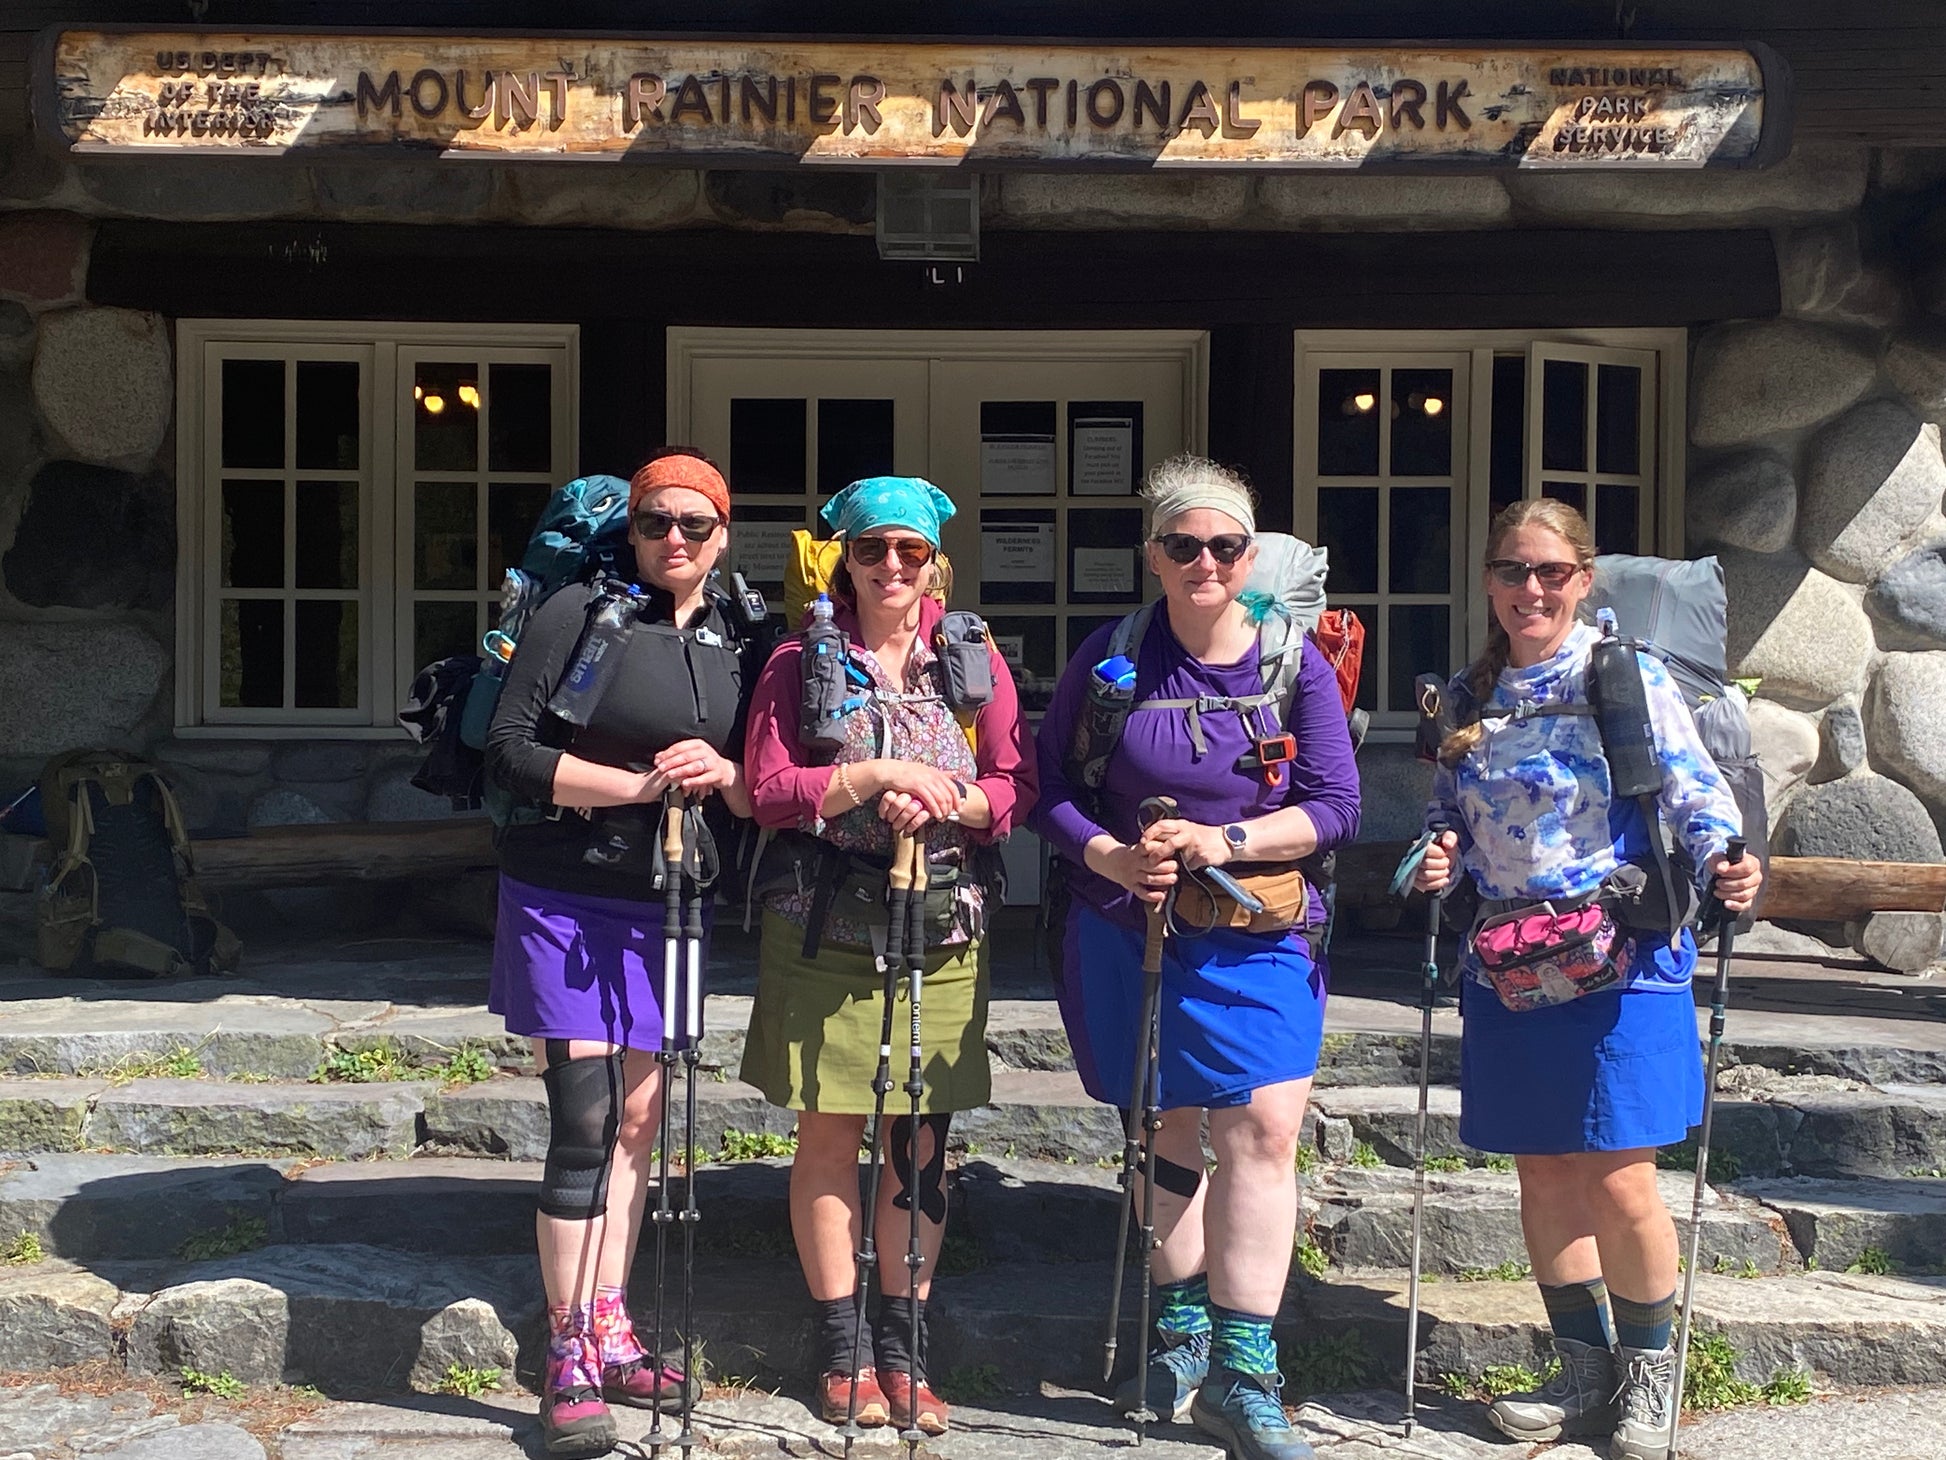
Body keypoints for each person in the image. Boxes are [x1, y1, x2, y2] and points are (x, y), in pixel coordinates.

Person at [1410, 498, 1762, 1460]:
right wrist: (1436, 852)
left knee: (1619, 1174)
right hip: (1511, 962)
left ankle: (1650, 1382)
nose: (1533, 590)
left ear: (1584, 578)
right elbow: (1448, 810)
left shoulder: (1625, 676)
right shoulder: (1468, 696)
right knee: (1543, 1168)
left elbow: (1697, 791)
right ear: (1489, 582)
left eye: (1552, 573)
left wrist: (1729, 860)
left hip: (1624, 957)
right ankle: (1585, 1375)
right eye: (1515, 572)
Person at [1031, 456, 1360, 1460]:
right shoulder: (1111, 657)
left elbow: (1337, 804)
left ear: (1247, 555)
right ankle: (1177, 1327)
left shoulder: (1291, 662)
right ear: (1154, 554)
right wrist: (1110, 855)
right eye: (1183, 544)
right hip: (1126, 921)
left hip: (1255, 927)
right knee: (1159, 1120)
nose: (1204, 561)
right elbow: (1045, 787)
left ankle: (1243, 1369)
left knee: (1260, 1127)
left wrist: (1226, 842)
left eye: (1222, 545)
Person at [740, 476, 1038, 1438]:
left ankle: (904, 1351)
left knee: (923, 1141)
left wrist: (946, 800)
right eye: (874, 551)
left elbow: (1011, 783)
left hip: (941, 925)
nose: (894, 569)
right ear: (844, 560)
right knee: (831, 1131)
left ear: (935, 561)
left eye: (912, 552)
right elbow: (772, 785)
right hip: (825, 921)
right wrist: (874, 775)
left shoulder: (972, 655)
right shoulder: (798, 661)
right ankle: (843, 1352)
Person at [484, 448, 755, 1459]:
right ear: (631, 531)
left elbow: (762, 766)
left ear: (722, 534)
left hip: (671, 900)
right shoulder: (577, 614)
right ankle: (566, 1354)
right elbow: (508, 749)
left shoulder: (741, 631)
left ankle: (611, 1320)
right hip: (563, 892)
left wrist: (722, 768)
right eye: (655, 524)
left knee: (640, 1113)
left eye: (694, 524)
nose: (673, 540)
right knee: (586, 1115)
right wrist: (641, 786)